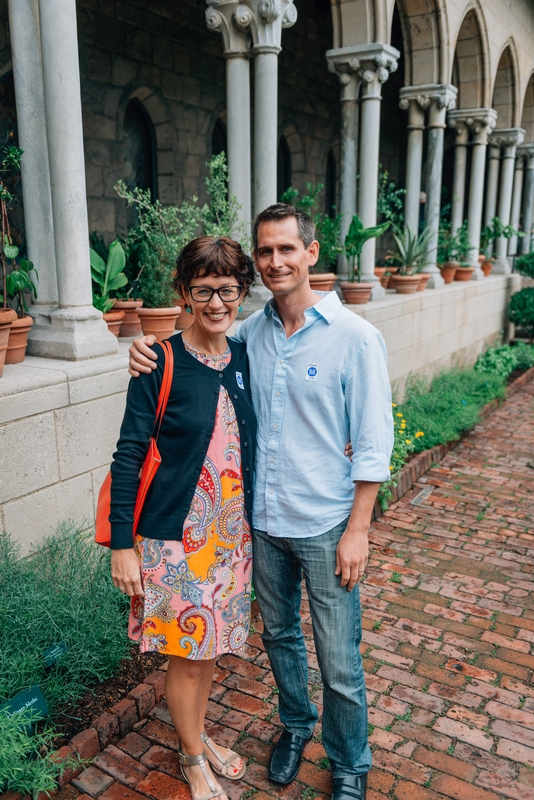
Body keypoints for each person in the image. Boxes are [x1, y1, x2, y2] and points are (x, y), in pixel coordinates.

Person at [128, 204, 394, 800]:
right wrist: (146, 350)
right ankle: (296, 729)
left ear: (311, 253)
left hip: (327, 524)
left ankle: (350, 762)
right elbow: (195, 347)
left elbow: (375, 443)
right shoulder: (250, 334)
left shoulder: (356, 338)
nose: (276, 261)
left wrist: (360, 529)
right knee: (280, 640)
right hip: (261, 525)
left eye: (286, 250)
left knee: (340, 659)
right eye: (266, 251)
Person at [110, 236, 257, 800]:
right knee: (187, 656)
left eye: (228, 289)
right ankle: (194, 755)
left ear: (242, 291)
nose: (217, 302)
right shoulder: (159, 360)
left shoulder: (241, 356)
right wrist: (123, 544)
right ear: (184, 294)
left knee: (211, 648)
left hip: (230, 539)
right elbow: (128, 454)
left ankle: (199, 736)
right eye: (204, 290)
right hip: (175, 539)